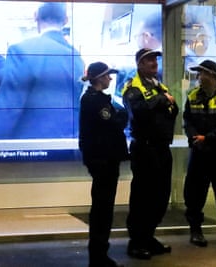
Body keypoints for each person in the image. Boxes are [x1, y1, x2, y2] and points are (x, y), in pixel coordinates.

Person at [0, 3, 85, 139]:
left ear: (35, 16)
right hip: (67, 145)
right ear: (65, 20)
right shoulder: (76, 57)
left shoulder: (22, 50)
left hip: (31, 148)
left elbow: (7, 110)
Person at [121, 48, 178, 260]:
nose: (154, 62)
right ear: (139, 64)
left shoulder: (159, 86)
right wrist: (162, 102)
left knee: (161, 196)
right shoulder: (133, 87)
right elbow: (139, 112)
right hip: (144, 148)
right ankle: (137, 242)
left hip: (162, 147)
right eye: (149, 60)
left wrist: (163, 104)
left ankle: (149, 236)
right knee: (143, 197)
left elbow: (174, 109)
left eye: (155, 59)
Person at [183, 59, 216, 247]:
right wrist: (194, 138)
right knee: (194, 194)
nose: (198, 77)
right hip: (199, 153)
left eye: (202, 74)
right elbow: (187, 121)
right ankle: (196, 230)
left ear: (213, 76)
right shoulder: (192, 96)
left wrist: (207, 139)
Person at [79, 62, 129, 267]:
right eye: (107, 76)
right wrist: (123, 115)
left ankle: (100, 254)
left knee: (103, 207)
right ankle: (98, 256)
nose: (110, 79)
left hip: (105, 159)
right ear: (99, 78)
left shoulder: (95, 99)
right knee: (102, 208)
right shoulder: (95, 101)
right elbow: (115, 121)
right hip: (103, 160)